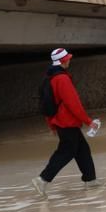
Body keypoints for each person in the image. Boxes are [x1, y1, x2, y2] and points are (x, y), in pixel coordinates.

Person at [32, 48, 98, 197]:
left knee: (82, 150)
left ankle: (90, 180)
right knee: (66, 152)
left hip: (61, 123)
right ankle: (42, 179)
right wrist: (88, 121)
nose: (69, 60)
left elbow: (46, 106)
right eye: (67, 58)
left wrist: (52, 125)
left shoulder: (49, 79)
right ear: (62, 61)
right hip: (67, 122)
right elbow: (73, 103)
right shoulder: (62, 79)